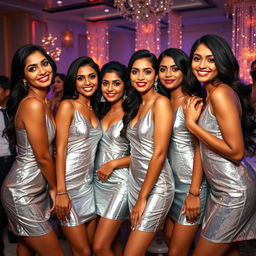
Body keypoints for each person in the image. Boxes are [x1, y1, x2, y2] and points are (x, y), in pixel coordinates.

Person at [184, 34, 256, 256]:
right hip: (222, 188)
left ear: (222, 61)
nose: (202, 65)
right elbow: (203, 148)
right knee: (230, 252)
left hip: (234, 191)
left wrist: (192, 125)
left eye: (210, 59)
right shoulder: (211, 93)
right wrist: (194, 191)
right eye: (197, 58)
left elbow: (236, 152)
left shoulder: (222, 94)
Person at [1, 45, 64, 256]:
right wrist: (57, 190)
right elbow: (43, 157)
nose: (43, 71)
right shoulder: (33, 105)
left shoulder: (43, 102)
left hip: (35, 188)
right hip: (22, 191)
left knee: (26, 249)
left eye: (44, 63)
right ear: (23, 78)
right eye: (32, 68)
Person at [121, 49, 174, 256]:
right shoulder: (136, 105)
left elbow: (159, 153)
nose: (140, 77)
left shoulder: (161, 103)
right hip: (136, 182)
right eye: (135, 72)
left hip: (157, 186)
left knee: (131, 252)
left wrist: (143, 197)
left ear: (155, 75)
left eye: (147, 72)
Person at [157, 48, 208, 256]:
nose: (168, 74)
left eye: (174, 69)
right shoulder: (161, 102)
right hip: (170, 184)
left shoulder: (193, 102)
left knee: (177, 250)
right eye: (163, 69)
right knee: (169, 239)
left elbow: (200, 148)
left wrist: (194, 192)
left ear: (184, 71)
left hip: (191, 184)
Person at [55, 56, 102, 256]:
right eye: (81, 78)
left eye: (92, 76)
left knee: (89, 247)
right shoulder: (68, 106)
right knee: (82, 250)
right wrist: (61, 192)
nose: (87, 82)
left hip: (89, 185)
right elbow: (60, 149)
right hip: (69, 185)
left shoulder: (96, 107)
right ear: (73, 81)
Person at [93, 61, 130, 256]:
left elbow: (145, 155)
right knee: (112, 243)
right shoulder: (101, 110)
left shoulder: (132, 112)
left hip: (120, 183)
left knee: (99, 246)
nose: (110, 88)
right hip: (99, 182)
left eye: (116, 83)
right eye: (105, 83)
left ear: (125, 84)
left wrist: (114, 163)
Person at [0, 76, 17, 256]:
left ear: (6, 92)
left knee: (12, 204)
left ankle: (15, 234)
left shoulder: (15, 111)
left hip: (13, 161)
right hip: (0, 161)